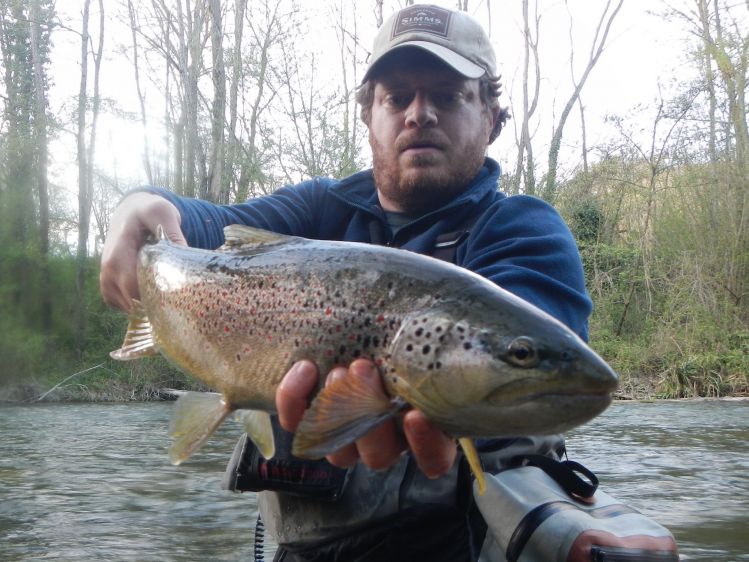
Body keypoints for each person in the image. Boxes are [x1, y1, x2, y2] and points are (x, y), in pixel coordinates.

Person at [100, 5, 591, 561]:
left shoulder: (524, 230)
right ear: (369, 114)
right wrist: (139, 208)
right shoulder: (319, 209)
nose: (419, 114)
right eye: (397, 96)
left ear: (492, 119)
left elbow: (532, 368)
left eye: (449, 96)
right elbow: (198, 226)